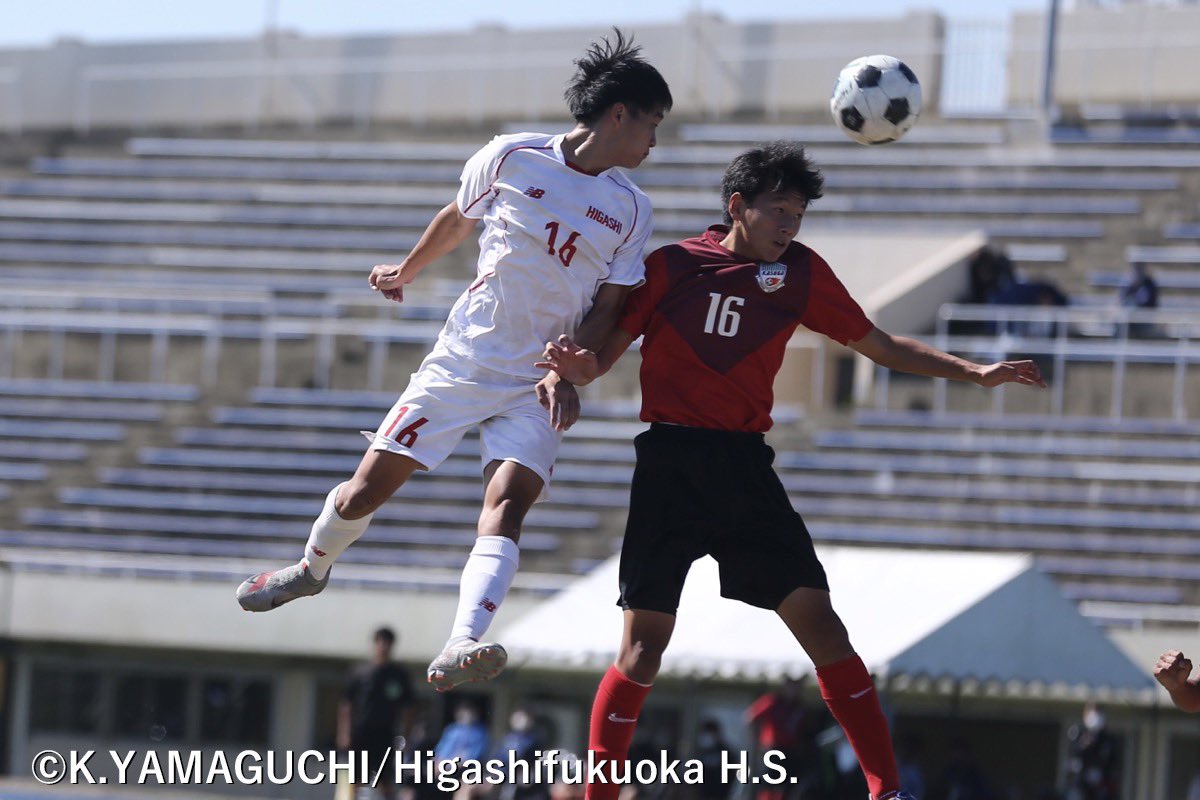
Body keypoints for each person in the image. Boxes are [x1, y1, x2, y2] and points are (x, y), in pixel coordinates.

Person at [535, 142, 1046, 800]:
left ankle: (885, 789)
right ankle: (598, 794)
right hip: (670, 462)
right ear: (737, 206)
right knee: (642, 649)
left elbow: (879, 344)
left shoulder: (801, 273)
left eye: (798, 215)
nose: (789, 227)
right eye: (778, 211)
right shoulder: (671, 267)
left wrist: (973, 370)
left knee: (822, 624)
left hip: (746, 469)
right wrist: (571, 372)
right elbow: (601, 353)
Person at [235, 29, 673, 692]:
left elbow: (610, 305)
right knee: (365, 492)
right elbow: (458, 218)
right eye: (652, 123)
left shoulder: (631, 208)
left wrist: (567, 366)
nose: (654, 142)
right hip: (464, 360)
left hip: (534, 383)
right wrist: (405, 269)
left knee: (509, 503)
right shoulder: (512, 155)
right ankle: (311, 569)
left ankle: (461, 641)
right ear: (620, 114)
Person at [338, 627, 415, 800]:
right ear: (374, 644)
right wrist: (344, 734)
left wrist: (407, 736)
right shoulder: (359, 672)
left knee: (384, 778)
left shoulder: (399, 675)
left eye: (387, 642)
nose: (383, 646)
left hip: (386, 733)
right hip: (360, 733)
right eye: (380, 641)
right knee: (356, 776)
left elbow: (408, 707)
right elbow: (346, 704)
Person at [1064, 702, 1118, 800]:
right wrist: (1084, 744)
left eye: (1098, 712)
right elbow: (1075, 753)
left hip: (1100, 785)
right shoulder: (1079, 734)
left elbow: (1110, 761)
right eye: (1092, 712)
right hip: (1080, 783)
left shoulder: (1106, 738)